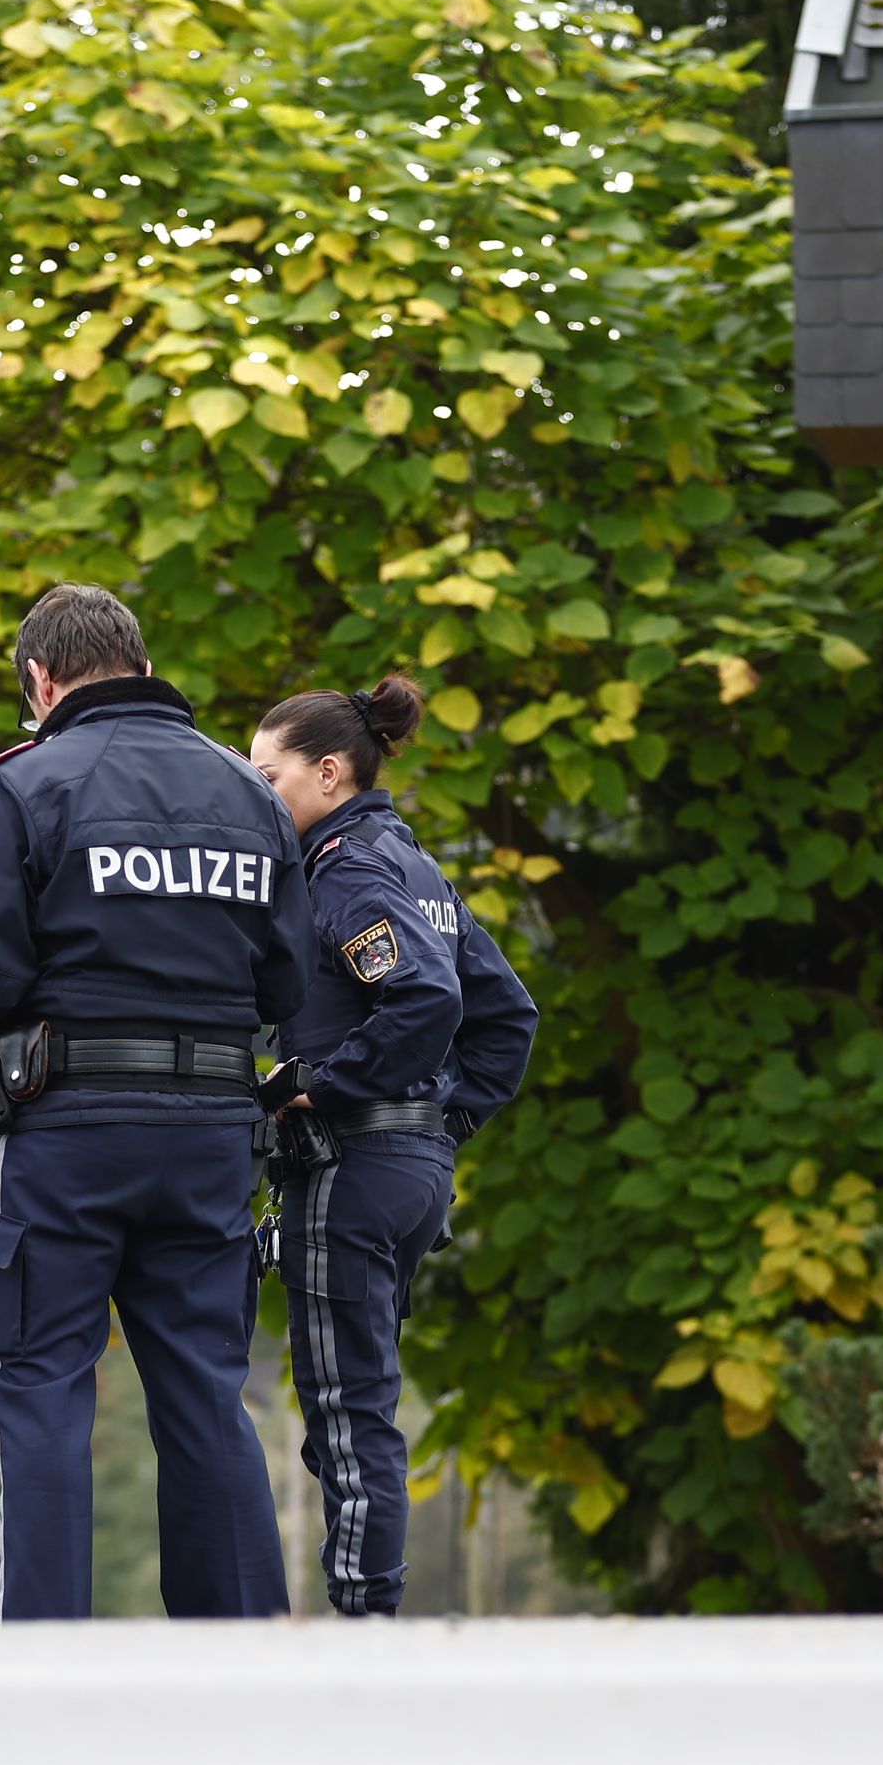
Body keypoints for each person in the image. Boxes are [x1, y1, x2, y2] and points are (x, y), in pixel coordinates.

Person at [0, 584, 307, 1619]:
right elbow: (287, 986)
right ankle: (238, 1646)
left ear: (41, 682)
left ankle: (49, 1648)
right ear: (141, 667)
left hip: (69, 1130)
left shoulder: (25, 782)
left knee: (43, 1387)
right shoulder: (250, 793)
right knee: (202, 1388)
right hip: (210, 1137)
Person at [246, 677, 539, 1616]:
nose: (255, 794)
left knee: (346, 1408)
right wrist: (441, 1124)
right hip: (407, 1166)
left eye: (268, 775)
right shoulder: (414, 867)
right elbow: (508, 1015)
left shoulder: (348, 872)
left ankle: (364, 1619)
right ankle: (366, 1605)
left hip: (351, 1163)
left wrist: (319, 1084)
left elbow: (428, 998)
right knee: (358, 1394)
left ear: (328, 772)